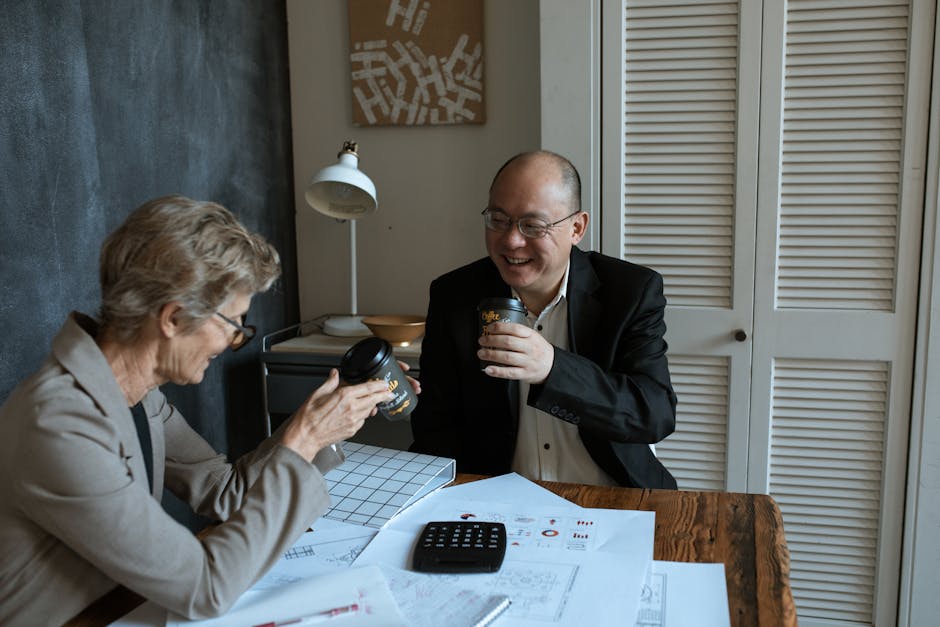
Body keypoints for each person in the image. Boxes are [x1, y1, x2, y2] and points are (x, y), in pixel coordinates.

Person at [0, 196, 407, 625]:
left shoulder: (136, 392)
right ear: (173, 319)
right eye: (234, 327)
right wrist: (305, 439)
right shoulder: (60, 426)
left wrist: (319, 428)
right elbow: (204, 589)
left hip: (126, 607)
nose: (232, 344)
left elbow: (225, 491)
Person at [410, 151, 677, 489]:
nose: (511, 240)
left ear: (577, 228)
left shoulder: (630, 292)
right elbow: (436, 427)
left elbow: (654, 414)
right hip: (498, 498)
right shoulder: (455, 296)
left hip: (610, 494)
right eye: (499, 219)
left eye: (532, 226)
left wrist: (553, 368)